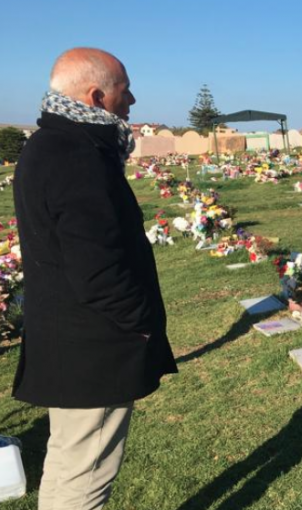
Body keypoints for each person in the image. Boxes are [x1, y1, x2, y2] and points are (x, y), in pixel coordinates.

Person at [12, 48, 177, 509]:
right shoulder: (76, 156)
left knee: (69, 464)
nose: (133, 100)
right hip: (94, 346)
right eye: (125, 89)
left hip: (71, 341)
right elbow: (97, 267)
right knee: (85, 477)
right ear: (98, 95)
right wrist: (141, 321)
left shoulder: (53, 144)